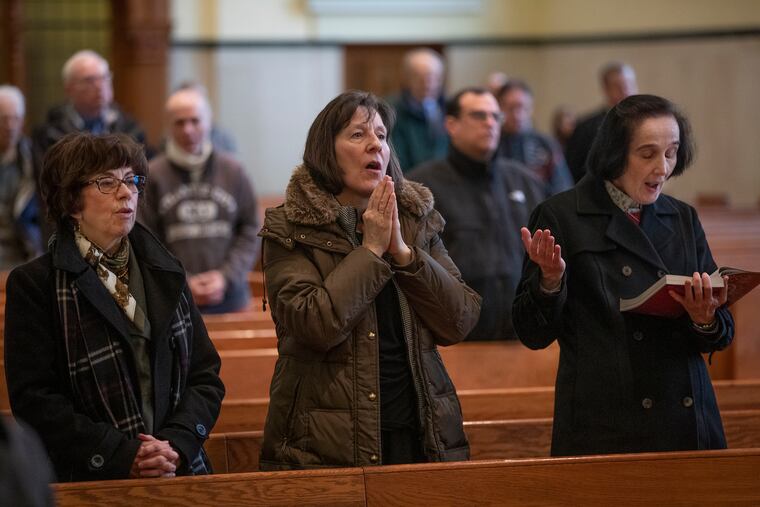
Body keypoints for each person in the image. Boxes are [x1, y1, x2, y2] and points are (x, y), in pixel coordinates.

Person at [258, 90, 481, 469]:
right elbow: (314, 324)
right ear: (325, 151)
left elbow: (459, 319)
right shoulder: (290, 227)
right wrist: (372, 250)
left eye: (381, 134)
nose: (375, 144)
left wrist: (405, 255)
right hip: (327, 440)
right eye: (358, 135)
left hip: (419, 430)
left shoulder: (416, 220)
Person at [512, 94, 734, 456]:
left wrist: (705, 318)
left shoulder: (682, 217)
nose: (663, 168)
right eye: (647, 154)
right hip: (606, 424)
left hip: (686, 423)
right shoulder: (561, 216)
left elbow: (721, 333)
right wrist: (549, 282)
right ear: (615, 154)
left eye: (672, 152)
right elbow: (531, 334)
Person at [4, 133, 225, 481]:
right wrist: (124, 455)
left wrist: (176, 444)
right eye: (107, 182)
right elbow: (35, 402)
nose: (126, 192)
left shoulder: (165, 269)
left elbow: (205, 375)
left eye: (131, 180)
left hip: (179, 469)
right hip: (92, 478)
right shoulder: (36, 285)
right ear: (71, 199)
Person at [408, 87, 543, 341]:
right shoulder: (421, 187)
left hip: (521, 336)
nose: (490, 123)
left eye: (495, 116)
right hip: (455, 338)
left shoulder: (524, 181)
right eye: (479, 116)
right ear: (452, 125)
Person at [138, 86, 260, 313]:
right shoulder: (152, 175)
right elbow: (146, 240)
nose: (188, 129)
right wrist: (181, 279)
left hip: (232, 301)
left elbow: (251, 229)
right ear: (168, 125)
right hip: (175, 303)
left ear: (209, 122)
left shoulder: (234, 171)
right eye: (179, 122)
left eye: (195, 120)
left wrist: (225, 277)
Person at [496, 79, 574, 197]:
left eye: (522, 107)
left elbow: (563, 189)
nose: (517, 114)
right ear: (500, 108)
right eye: (511, 108)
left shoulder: (546, 144)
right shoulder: (491, 144)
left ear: (531, 108)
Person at [565, 61, 638, 182]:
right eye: (618, 86)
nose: (626, 91)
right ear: (606, 89)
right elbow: (573, 171)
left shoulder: (647, 125)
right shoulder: (585, 128)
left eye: (629, 84)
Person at [0, 85, 42, 268]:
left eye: (15, 119)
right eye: (3, 120)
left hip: (24, 249)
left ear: (22, 121)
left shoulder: (33, 159)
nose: (10, 127)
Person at [389, 48, 449, 172]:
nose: (427, 83)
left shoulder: (450, 108)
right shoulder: (391, 110)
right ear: (406, 79)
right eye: (419, 77)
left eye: (432, 77)